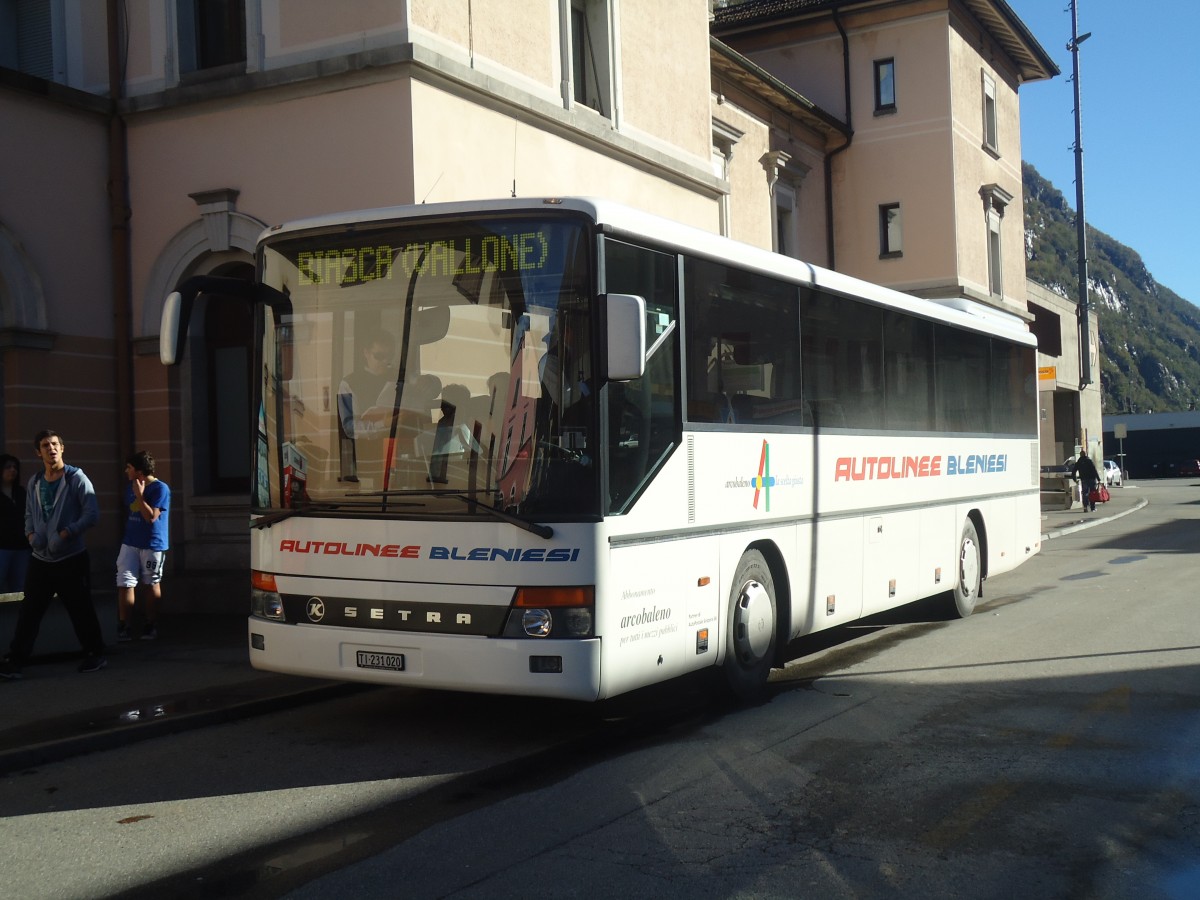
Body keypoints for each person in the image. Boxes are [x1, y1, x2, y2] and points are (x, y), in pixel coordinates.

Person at [0, 430, 104, 679]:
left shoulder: (76, 478)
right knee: (30, 611)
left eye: (55, 444)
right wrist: (30, 536)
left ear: (62, 448)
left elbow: (92, 514)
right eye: (46, 445)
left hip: (71, 558)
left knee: (80, 608)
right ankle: (16, 661)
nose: (51, 449)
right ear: (39, 452)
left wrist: (68, 532)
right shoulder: (35, 482)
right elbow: (28, 515)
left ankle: (95, 653)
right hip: (41, 559)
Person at [116, 450, 170, 641]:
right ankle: (124, 625)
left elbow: (151, 518)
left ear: (139, 471)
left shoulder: (160, 489)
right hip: (130, 542)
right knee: (124, 582)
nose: (126, 471)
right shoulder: (129, 487)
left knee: (151, 583)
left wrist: (140, 495)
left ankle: (150, 624)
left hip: (152, 544)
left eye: (129, 468)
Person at [337, 332, 399, 484]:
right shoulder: (349, 383)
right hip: (364, 461)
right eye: (379, 356)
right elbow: (350, 427)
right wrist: (384, 424)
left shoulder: (398, 379)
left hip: (397, 456)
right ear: (366, 353)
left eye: (389, 356)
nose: (385, 361)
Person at [0, 453, 31, 593]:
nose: (12, 470)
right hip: (2, 548)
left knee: (20, 589)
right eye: (8, 467)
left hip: (21, 548)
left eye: (14, 467)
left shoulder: (20, 492)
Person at [1071, 449, 1102, 513]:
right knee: (1092, 493)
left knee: (1085, 493)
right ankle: (1092, 507)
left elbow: (1073, 471)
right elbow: (1094, 470)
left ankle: (1085, 507)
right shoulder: (1089, 461)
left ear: (1080, 455)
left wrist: (1075, 479)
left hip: (1084, 479)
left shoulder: (1079, 462)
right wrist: (1098, 479)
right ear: (1086, 454)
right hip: (1091, 479)